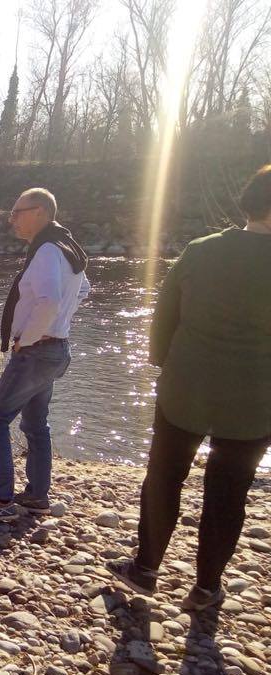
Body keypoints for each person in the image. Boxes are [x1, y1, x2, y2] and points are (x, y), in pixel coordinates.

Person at [107, 165, 271, 611]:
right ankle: (206, 588)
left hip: (185, 390)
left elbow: (163, 318)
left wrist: (162, 362)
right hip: (254, 403)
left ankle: (145, 569)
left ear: (250, 203)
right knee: (228, 492)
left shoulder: (200, 251)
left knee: (164, 478)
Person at [0, 188, 90, 524]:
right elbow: (84, 290)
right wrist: (60, 323)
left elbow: (48, 300)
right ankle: (36, 496)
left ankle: (2, 500)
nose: (12, 220)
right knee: (35, 423)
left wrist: (28, 339)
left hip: (37, 351)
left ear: (39, 212)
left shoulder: (48, 249)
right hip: (56, 349)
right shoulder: (66, 246)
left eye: (16, 212)